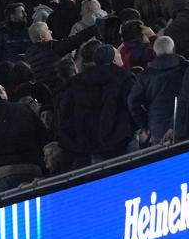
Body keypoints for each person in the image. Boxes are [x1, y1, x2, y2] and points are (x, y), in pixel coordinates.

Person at [52, 43, 134, 171]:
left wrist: (80, 145)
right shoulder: (124, 77)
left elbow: (66, 117)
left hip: (94, 146)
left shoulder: (78, 83)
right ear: (114, 59)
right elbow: (132, 105)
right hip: (124, 140)